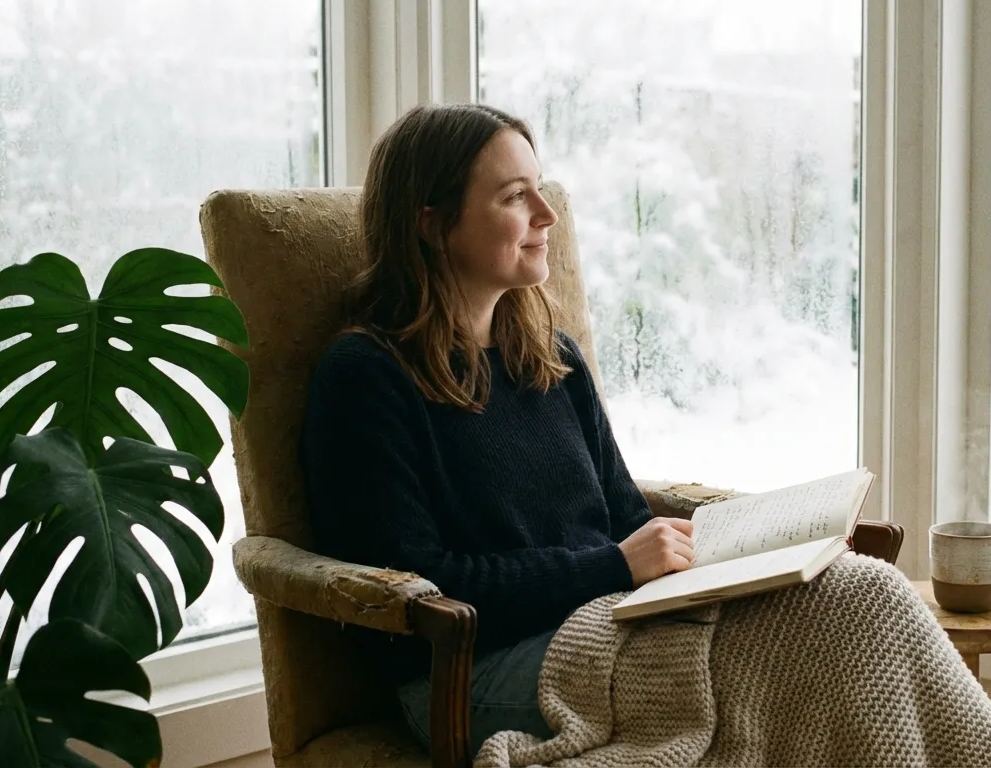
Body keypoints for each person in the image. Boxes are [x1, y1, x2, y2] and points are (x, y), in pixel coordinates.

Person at [297, 103, 696, 753]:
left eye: (541, 189)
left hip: (607, 627)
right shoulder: (366, 377)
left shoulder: (553, 357)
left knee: (848, 594)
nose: (547, 215)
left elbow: (624, 517)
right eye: (516, 196)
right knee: (757, 659)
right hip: (468, 676)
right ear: (432, 223)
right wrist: (614, 567)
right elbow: (422, 585)